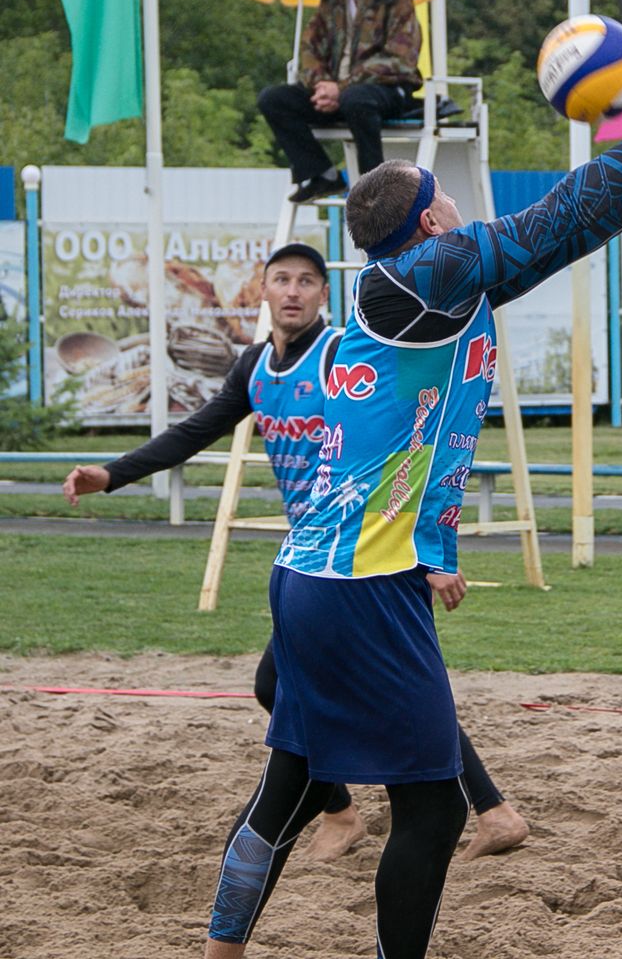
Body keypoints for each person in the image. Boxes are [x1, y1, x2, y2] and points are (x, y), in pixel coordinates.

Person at [202, 90, 622, 959]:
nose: (458, 202)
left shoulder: (434, 286)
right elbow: (549, 217)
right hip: (361, 588)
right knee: (431, 807)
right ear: (429, 224)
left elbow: (568, 234)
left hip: (317, 575)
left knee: (290, 791)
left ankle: (220, 951)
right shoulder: (412, 278)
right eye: (444, 196)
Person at [61, 242, 527, 863]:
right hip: (319, 564)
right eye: (281, 279)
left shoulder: (343, 354)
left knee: (309, 683)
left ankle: (359, 813)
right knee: (362, 685)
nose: (293, 291)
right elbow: (195, 430)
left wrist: (434, 550)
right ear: (263, 290)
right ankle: (475, 811)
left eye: (306, 281)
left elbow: (420, 434)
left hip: (369, 551)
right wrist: (112, 474)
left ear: (324, 295)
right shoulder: (255, 366)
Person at [257, 0, 423, 204]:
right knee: (274, 99)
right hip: (336, 91)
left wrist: (342, 87)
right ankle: (321, 174)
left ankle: (374, 190)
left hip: (385, 90)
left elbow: (399, 59)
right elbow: (309, 48)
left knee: (357, 100)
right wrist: (322, 85)